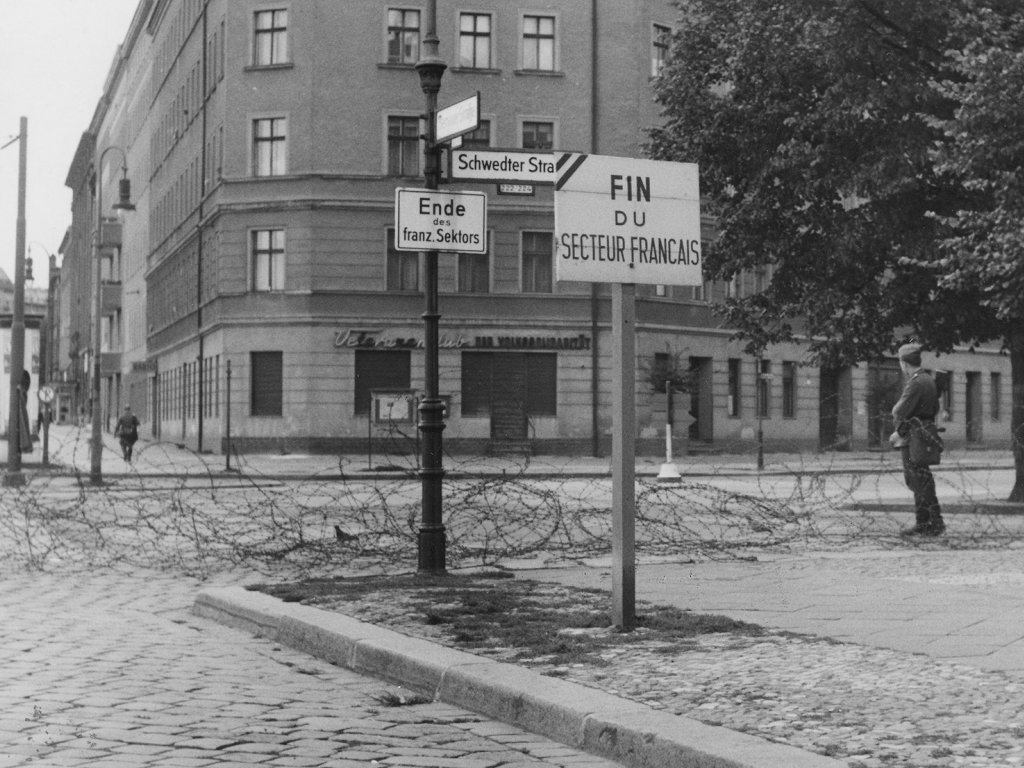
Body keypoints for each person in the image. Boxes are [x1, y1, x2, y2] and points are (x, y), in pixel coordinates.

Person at [890, 343, 945, 536]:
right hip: (923, 433)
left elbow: (900, 411)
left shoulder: (915, 383)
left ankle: (932, 522)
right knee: (921, 478)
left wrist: (899, 432)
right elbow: (933, 409)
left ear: (904, 363)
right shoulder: (928, 379)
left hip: (914, 436)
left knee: (917, 479)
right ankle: (926, 521)